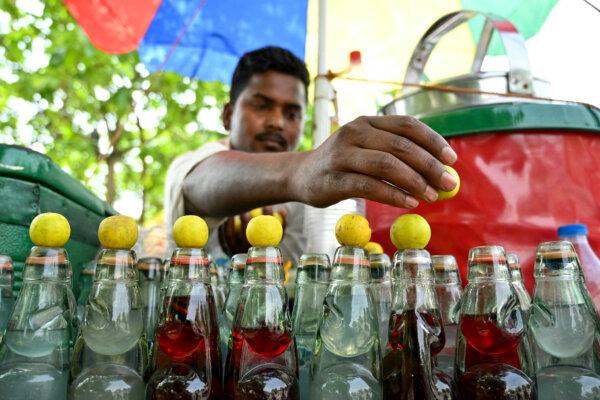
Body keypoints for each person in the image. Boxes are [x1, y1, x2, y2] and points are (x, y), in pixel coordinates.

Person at [165, 46, 457, 263]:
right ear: (228, 116)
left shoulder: (324, 188)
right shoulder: (196, 163)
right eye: (262, 106)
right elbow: (200, 182)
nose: (277, 122)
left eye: (292, 113)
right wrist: (302, 170)